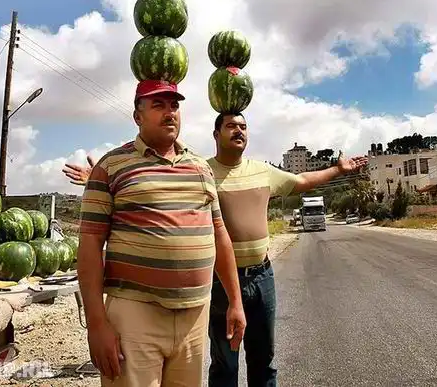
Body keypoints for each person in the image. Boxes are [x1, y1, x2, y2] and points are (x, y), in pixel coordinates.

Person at [64, 111, 368, 387]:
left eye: (243, 126)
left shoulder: (262, 171)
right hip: (219, 281)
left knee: (264, 359)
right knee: (225, 363)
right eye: (231, 126)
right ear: (216, 134)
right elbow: (154, 185)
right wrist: (100, 181)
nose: (239, 131)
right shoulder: (199, 168)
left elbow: (302, 179)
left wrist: (338, 169)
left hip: (262, 276)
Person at [75, 79, 246, 387]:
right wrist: (96, 324)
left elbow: (219, 234)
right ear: (137, 116)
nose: (170, 113)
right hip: (135, 314)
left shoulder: (200, 167)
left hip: (194, 317)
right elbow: (89, 244)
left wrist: (235, 301)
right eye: (158, 105)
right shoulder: (111, 166)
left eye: (174, 106)